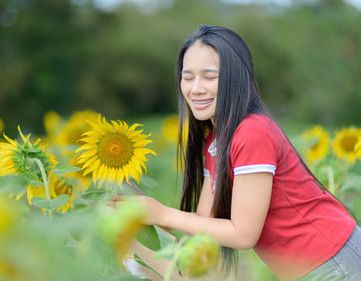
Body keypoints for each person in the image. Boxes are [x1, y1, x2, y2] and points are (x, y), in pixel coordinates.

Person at [130, 25, 361, 280]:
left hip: (337, 263)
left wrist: (162, 213)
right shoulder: (215, 143)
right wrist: (142, 211)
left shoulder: (252, 132)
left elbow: (243, 234)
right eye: (188, 77)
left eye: (209, 76)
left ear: (234, 78)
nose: (195, 88)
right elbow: (203, 225)